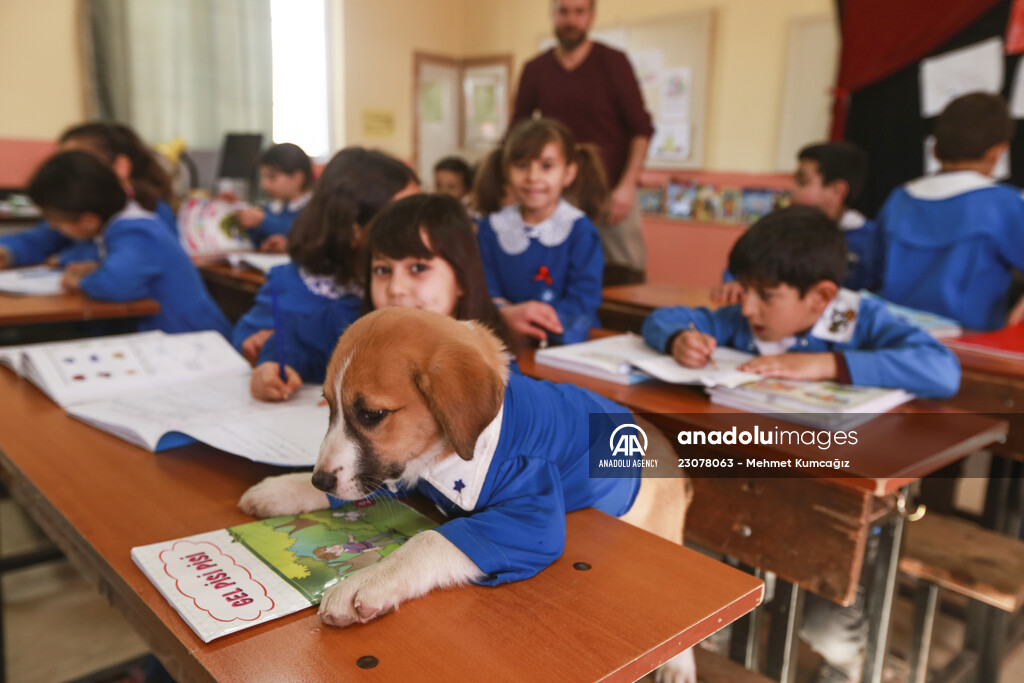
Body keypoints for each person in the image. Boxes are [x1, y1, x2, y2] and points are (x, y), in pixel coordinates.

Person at [643, 206, 961, 400]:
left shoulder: (857, 319)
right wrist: (678, 339)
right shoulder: (741, 321)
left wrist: (826, 365)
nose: (747, 308)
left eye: (766, 295)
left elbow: (942, 371)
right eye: (744, 289)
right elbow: (662, 319)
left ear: (820, 297)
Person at [252, 193, 518, 401]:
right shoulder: (349, 322)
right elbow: (289, 339)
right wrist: (273, 366)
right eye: (382, 270)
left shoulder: (489, 356)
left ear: (461, 279)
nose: (396, 288)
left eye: (418, 268)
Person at [512, 0, 654, 285]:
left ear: (590, 17)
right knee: (555, 276)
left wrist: (627, 186)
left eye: (579, 12)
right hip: (556, 196)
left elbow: (641, 129)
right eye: (564, 11)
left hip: (611, 193)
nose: (571, 20)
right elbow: (517, 134)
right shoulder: (535, 69)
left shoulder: (613, 62)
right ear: (553, 14)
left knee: (626, 276)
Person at [233, 147, 418, 366]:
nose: (420, 228)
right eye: (405, 217)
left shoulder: (414, 282)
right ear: (354, 230)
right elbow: (245, 343)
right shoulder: (293, 289)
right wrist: (262, 353)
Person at [26, 151, 230, 336]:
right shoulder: (124, 224)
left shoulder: (135, 231)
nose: (51, 227)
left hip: (191, 339)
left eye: (54, 220)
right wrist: (99, 269)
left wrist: (80, 282)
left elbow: (116, 285)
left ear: (88, 221)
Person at [876, 92, 1024, 331]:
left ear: (934, 149)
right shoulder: (1003, 204)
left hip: (889, 335)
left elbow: (872, 271)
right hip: (965, 351)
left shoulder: (899, 198)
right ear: (997, 153)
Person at [476, 118, 607, 346]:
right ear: (506, 170)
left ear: (569, 173)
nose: (533, 177)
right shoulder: (492, 228)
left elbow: (584, 299)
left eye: (546, 166)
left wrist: (539, 322)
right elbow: (485, 290)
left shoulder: (580, 230)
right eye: (522, 166)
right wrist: (507, 315)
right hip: (505, 339)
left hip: (567, 342)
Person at [713, 141, 878, 304]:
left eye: (802, 182)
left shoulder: (871, 242)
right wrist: (737, 284)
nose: (792, 189)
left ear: (837, 192)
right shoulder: (778, 230)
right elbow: (739, 268)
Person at [0, 122, 176, 269]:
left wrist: (65, 258)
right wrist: (7, 252)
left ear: (120, 167)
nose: (66, 176)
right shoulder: (75, 208)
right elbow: (42, 238)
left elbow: (123, 257)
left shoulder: (150, 210)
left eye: (79, 164)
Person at [236, 142, 314, 253]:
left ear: (297, 178)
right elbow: (253, 241)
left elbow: (303, 235)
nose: (264, 184)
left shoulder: (316, 210)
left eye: (272, 177)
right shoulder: (270, 208)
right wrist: (235, 209)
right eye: (263, 177)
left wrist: (263, 221)